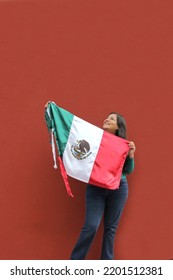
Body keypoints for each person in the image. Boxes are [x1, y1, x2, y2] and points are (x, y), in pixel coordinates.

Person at [70, 112, 136, 260]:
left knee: (110, 229)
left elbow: (128, 170)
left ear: (118, 127)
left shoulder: (123, 145)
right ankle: (74, 263)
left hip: (119, 188)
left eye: (112, 119)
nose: (107, 119)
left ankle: (106, 265)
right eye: (107, 117)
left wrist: (131, 156)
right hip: (96, 187)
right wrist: (53, 111)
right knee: (91, 226)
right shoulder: (94, 138)